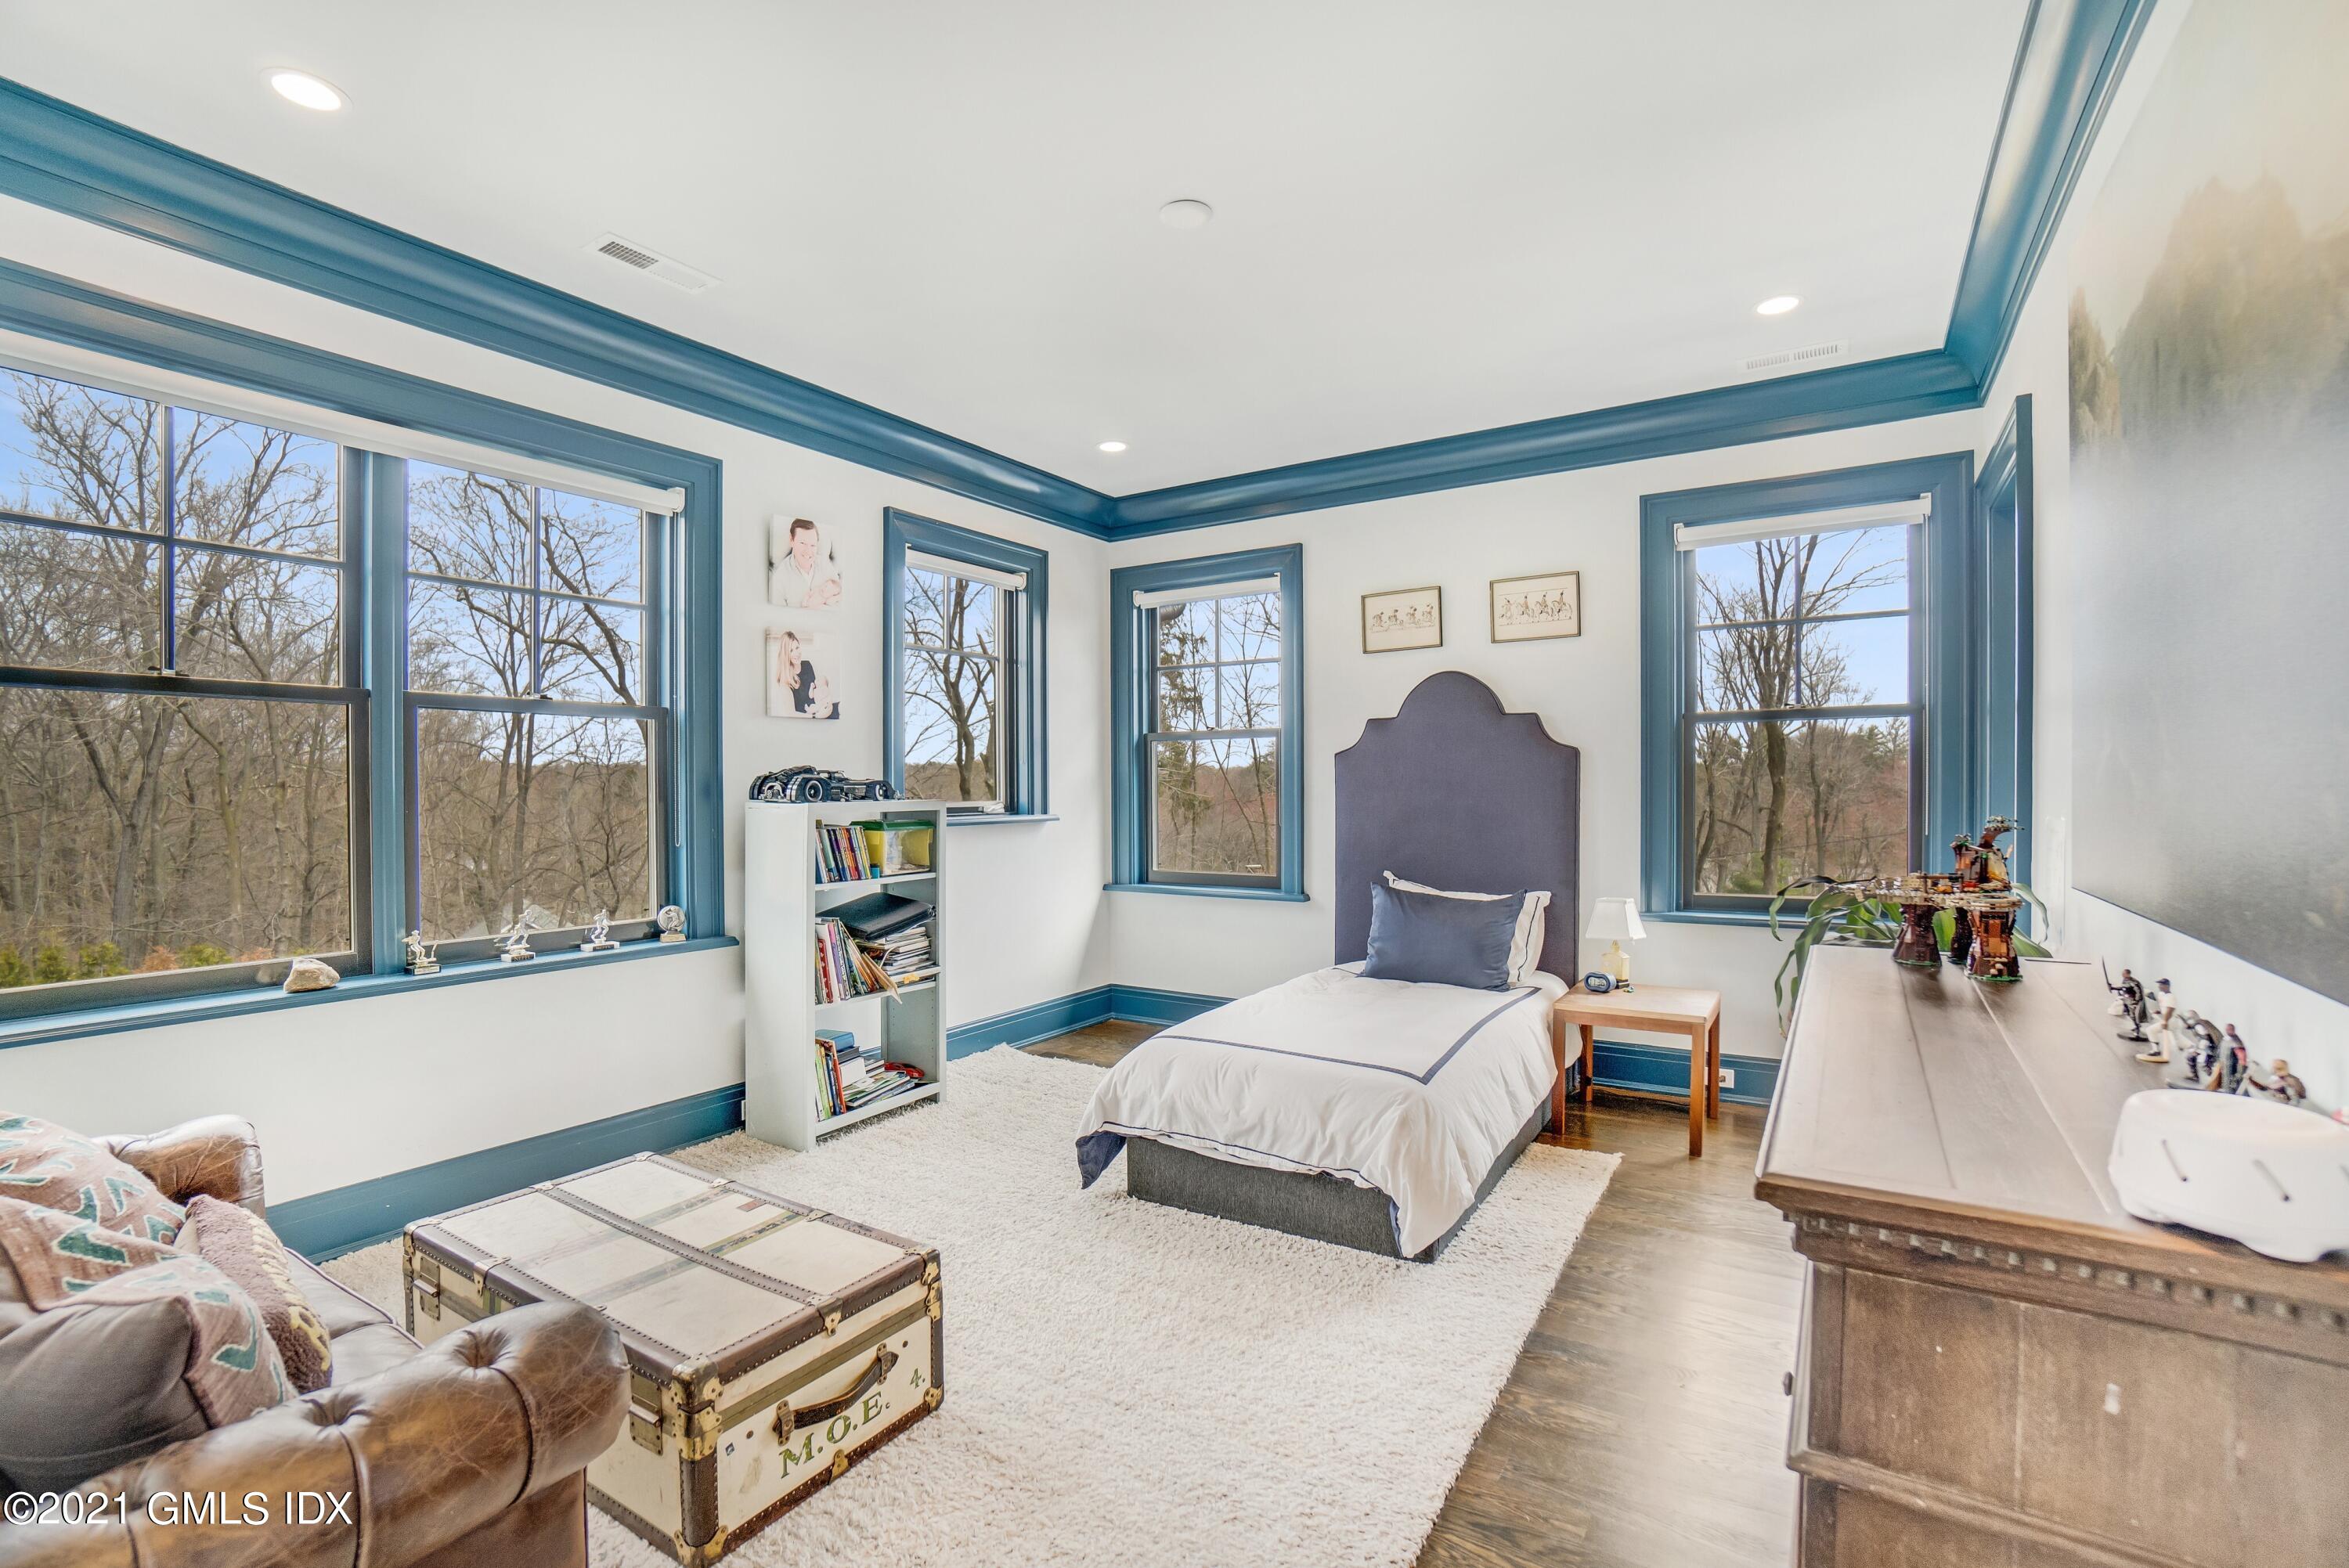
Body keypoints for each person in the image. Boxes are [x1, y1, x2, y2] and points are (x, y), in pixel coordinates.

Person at [770, 517, 843, 609]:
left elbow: (841, 593)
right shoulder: (780, 578)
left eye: (813, 545)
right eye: (802, 543)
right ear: (791, 540)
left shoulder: (824, 564)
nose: (808, 552)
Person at [773, 630, 836, 719]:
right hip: (807, 719)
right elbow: (791, 714)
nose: (797, 653)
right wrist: (816, 716)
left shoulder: (807, 665)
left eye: (797, 648)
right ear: (786, 654)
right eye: (791, 650)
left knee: (841, 707)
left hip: (818, 709)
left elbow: (814, 695)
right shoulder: (785, 680)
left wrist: (825, 704)